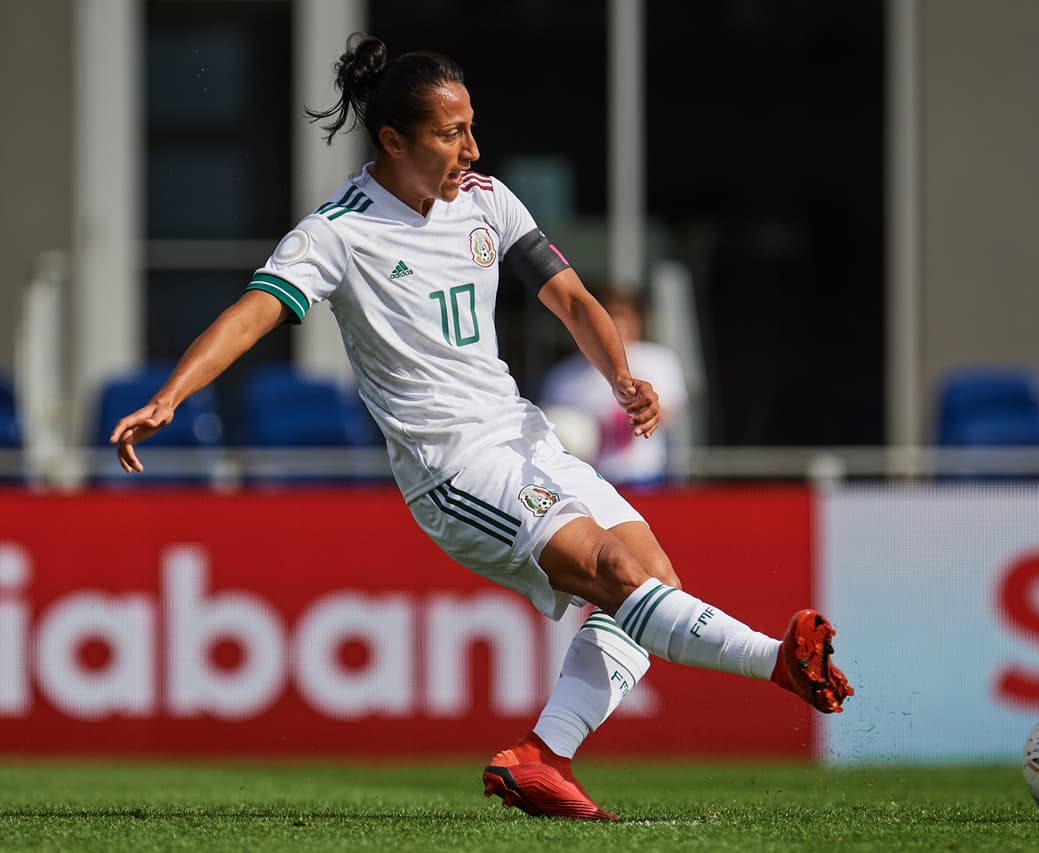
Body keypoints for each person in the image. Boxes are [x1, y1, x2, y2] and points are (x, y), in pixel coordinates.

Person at [110, 34, 851, 821]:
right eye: (450, 133)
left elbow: (571, 299)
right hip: (452, 467)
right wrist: (171, 395)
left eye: (471, 127)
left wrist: (619, 373)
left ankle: (542, 757)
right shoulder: (338, 231)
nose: (471, 148)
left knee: (649, 573)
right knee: (613, 571)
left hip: (525, 436)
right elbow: (251, 314)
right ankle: (778, 661)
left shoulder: (487, 200)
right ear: (394, 141)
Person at [541, 287, 688, 486]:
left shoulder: (657, 361)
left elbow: (669, 415)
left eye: (623, 319)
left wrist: (645, 411)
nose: (614, 328)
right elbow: (550, 432)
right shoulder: (562, 376)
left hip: (644, 480)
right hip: (586, 483)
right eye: (607, 320)